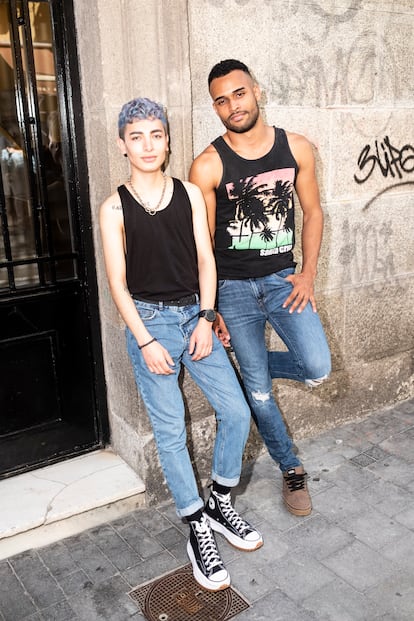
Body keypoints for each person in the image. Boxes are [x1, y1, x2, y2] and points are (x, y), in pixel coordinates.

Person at [99, 97, 263, 592]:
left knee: (235, 412)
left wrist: (206, 317)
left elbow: (206, 259)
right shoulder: (113, 207)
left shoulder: (190, 193)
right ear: (123, 145)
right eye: (137, 137)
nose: (148, 145)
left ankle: (219, 499)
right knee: (171, 432)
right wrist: (146, 340)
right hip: (148, 324)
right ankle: (196, 526)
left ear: (167, 140)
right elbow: (117, 283)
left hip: (194, 315)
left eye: (156, 134)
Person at [189, 60, 332, 517]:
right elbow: (201, 249)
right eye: (221, 99)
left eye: (239, 93)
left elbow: (313, 212)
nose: (233, 105)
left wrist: (308, 273)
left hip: (283, 281)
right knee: (261, 396)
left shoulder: (298, 149)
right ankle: (291, 470)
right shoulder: (207, 165)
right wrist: (212, 311)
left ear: (257, 92)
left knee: (316, 366)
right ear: (215, 107)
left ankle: (250, 371)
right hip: (231, 289)